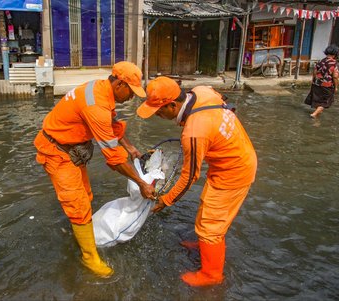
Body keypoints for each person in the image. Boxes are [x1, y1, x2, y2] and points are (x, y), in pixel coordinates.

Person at [34, 61, 155, 278]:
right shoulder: (96, 105)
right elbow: (114, 159)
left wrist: (131, 148)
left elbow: (113, 125)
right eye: (131, 92)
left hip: (71, 150)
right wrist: (142, 183)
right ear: (119, 83)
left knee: (85, 197)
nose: (131, 97)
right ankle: (89, 258)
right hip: (56, 152)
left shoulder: (101, 89)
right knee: (77, 204)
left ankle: (77, 231)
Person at [137, 76, 257, 287]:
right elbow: (223, 99)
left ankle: (211, 275)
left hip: (234, 172)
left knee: (211, 226)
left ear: (173, 105)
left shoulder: (193, 134)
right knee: (207, 206)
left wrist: (165, 200)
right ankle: (204, 246)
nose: (157, 115)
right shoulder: (201, 91)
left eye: (159, 110)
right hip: (232, 157)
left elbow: (190, 177)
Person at [305, 45, 339, 118]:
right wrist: (336, 87)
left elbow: (314, 72)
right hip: (327, 85)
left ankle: (317, 114)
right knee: (326, 101)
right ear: (335, 54)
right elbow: (335, 76)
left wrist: (313, 81)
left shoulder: (321, 61)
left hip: (316, 83)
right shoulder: (334, 63)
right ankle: (314, 114)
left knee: (317, 99)